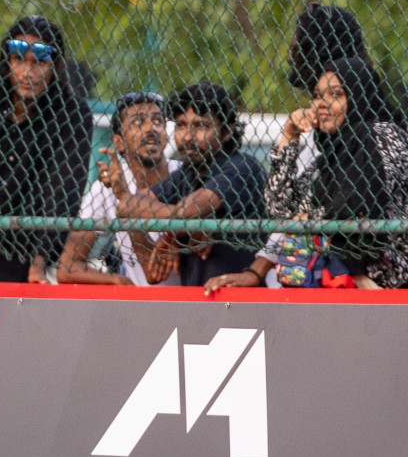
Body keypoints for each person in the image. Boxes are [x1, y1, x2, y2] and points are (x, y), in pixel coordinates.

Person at [204, 59, 408, 292]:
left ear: (359, 96)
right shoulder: (331, 154)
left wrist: (308, 219)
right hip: (347, 282)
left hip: (391, 284)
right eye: (318, 96)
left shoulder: (381, 135)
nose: (322, 104)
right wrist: (289, 136)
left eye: (336, 94)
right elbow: (278, 209)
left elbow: (356, 206)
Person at [0, 16, 93, 282]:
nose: (28, 73)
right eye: (19, 60)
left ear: (56, 65)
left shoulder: (70, 115)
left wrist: (39, 259)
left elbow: (63, 190)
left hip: (21, 259)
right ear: (7, 62)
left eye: (40, 62)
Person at [116, 82, 266, 287]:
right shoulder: (186, 174)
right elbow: (128, 204)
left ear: (227, 130)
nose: (187, 137)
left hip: (243, 300)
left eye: (201, 126)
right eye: (181, 125)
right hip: (199, 300)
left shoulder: (241, 167)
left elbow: (186, 212)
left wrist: (184, 223)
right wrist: (184, 228)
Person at [57, 91, 179, 286]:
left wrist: (124, 197)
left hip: (191, 300)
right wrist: (116, 281)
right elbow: (67, 268)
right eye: (138, 122)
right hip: (139, 304)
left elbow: (153, 272)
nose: (151, 128)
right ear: (119, 142)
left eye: (158, 121)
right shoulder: (106, 187)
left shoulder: (185, 175)